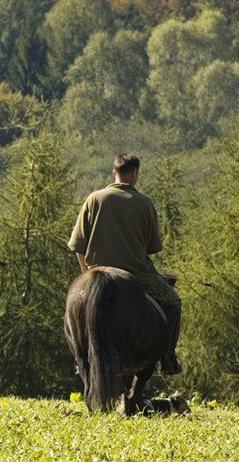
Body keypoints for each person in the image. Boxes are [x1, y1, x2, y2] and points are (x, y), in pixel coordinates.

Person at [67, 153, 182, 375]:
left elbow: (77, 246)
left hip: (95, 273)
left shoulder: (94, 199)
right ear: (135, 173)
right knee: (174, 302)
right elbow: (152, 247)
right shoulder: (145, 203)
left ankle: (78, 359)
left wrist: (86, 276)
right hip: (137, 276)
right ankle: (168, 357)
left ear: (114, 173)